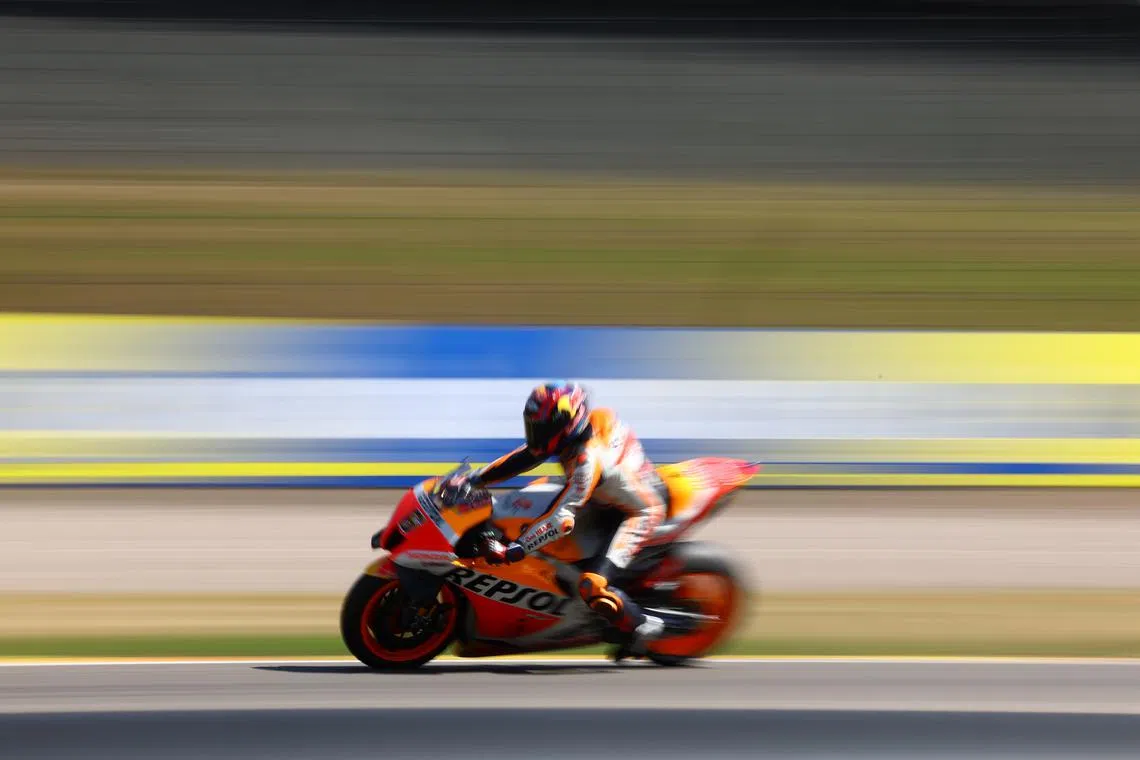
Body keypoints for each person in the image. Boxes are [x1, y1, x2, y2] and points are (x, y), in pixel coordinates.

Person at [441, 381, 667, 650]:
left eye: (542, 428)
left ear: (567, 425)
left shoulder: (586, 461)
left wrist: (516, 550)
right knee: (524, 502)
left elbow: (562, 520)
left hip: (637, 511)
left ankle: (641, 628)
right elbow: (525, 457)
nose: (535, 433)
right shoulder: (573, 435)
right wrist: (473, 480)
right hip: (603, 496)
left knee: (591, 587)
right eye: (533, 425)